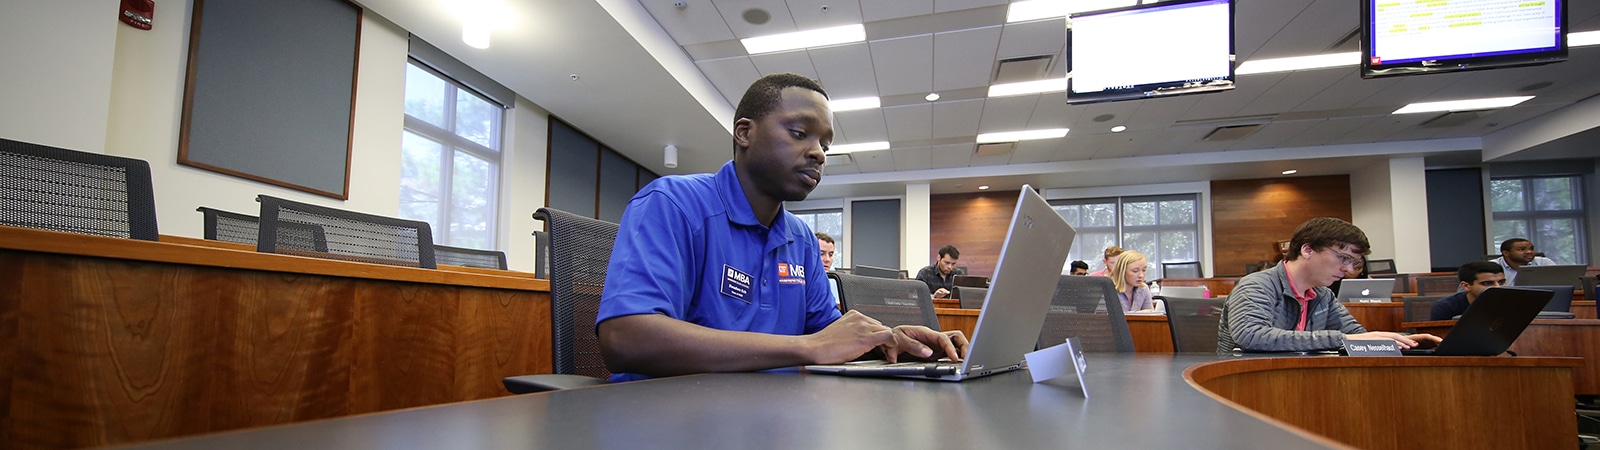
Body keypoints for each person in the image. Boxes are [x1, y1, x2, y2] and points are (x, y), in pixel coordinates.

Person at [596, 73, 965, 382]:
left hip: (774, 417)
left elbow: (829, 337)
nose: (819, 152)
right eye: (800, 132)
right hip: (668, 419)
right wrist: (805, 347)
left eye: (825, 143)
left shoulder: (801, 238)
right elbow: (626, 338)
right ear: (745, 133)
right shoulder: (674, 203)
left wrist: (891, 340)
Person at [1217, 217, 1440, 354]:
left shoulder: (1322, 295)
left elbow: (1356, 335)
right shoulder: (1257, 285)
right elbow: (1251, 336)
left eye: (1353, 262)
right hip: (1247, 381)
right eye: (1342, 258)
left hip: (1299, 379)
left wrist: (1398, 342)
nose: (1348, 269)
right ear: (1307, 250)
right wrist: (1345, 339)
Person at [1429, 261, 1507, 320]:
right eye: (1487, 283)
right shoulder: (1446, 306)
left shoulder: (1513, 303)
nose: (1497, 287)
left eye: (1501, 282)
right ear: (1466, 286)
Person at [1492, 238, 1557, 286]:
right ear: (1506, 253)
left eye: (1531, 249)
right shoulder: (1493, 265)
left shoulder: (1543, 262)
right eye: (1522, 249)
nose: (1529, 252)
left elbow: (1560, 284)